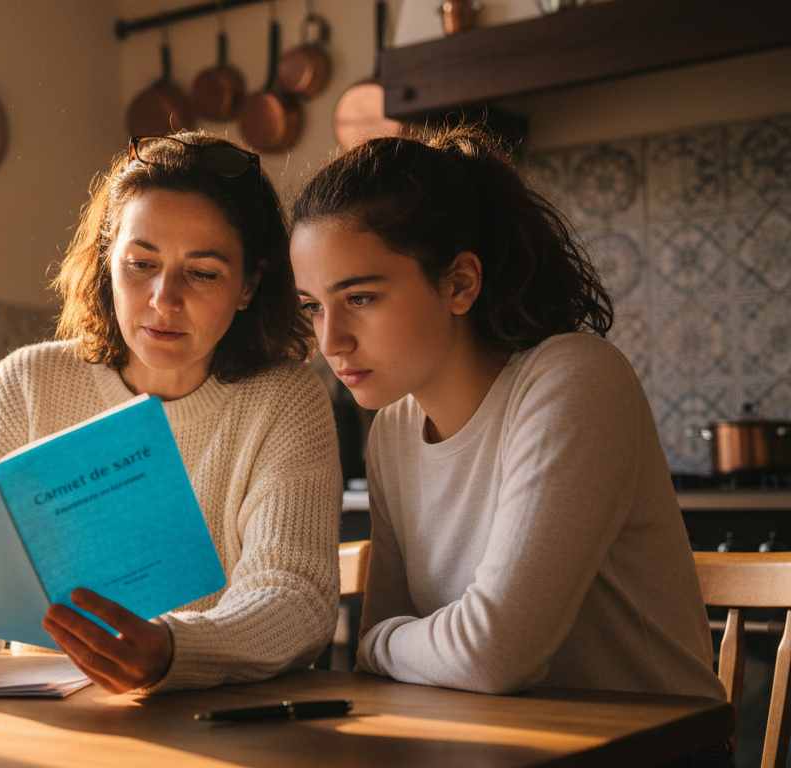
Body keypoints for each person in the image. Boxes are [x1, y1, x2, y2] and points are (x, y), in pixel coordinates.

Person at [289, 127, 732, 764]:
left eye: (360, 297)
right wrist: (396, 644)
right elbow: (386, 653)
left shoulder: (572, 379)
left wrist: (388, 642)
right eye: (313, 307)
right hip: (493, 747)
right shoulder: (390, 432)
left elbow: (493, 652)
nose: (330, 342)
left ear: (459, 284)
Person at [0, 132, 343, 694]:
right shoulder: (28, 382)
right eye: (141, 263)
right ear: (107, 261)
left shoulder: (286, 400)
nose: (163, 299)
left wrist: (171, 651)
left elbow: (295, 597)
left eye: (203, 272)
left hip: (210, 728)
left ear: (249, 285)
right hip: (46, 726)